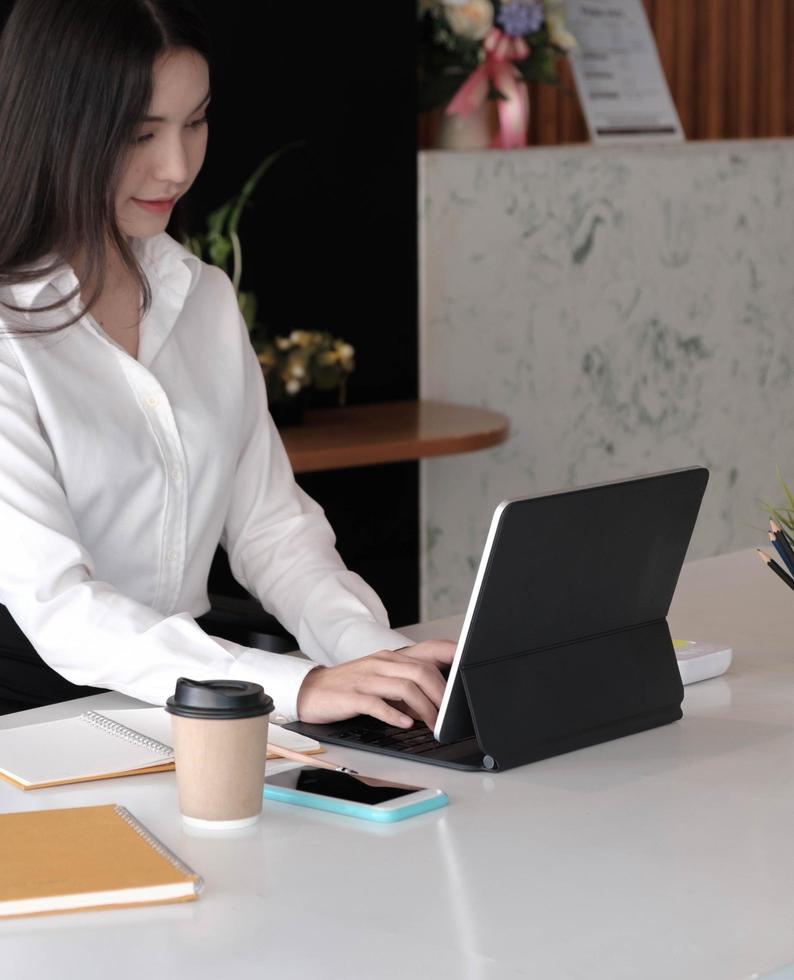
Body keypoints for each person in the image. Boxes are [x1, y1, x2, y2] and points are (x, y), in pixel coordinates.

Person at [0, 0, 454, 725]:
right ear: (60, 127)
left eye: (196, 121)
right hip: (33, 725)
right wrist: (296, 687)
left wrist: (374, 656)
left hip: (197, 706)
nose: (176, 166)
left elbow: (273, 531)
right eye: (139, 133)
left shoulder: (202, 296)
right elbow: (60, 606)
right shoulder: (7, 332)